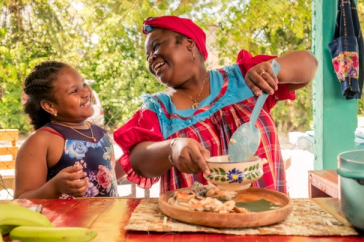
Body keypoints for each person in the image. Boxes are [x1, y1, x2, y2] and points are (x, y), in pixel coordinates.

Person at [113, 16, 318, 194]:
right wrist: (172, 148)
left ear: (188, 43)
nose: (151, 58)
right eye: (147, 56)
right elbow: (138, 161)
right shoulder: (158, 109)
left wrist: (276, 70)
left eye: (156, 46)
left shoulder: (243, 78)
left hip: (263, 217)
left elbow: (309, 64)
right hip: (197, 226)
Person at [14, 61, 121, 199]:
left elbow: (107, 176)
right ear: (50, 106)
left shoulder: (100, 133)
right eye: (74, 91)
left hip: (107, 218)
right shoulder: (41, 141)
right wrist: (54, 187)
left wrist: (132, 159)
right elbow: (21, 199)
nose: (86, 92)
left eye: (83, 84)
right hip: (64, 220)